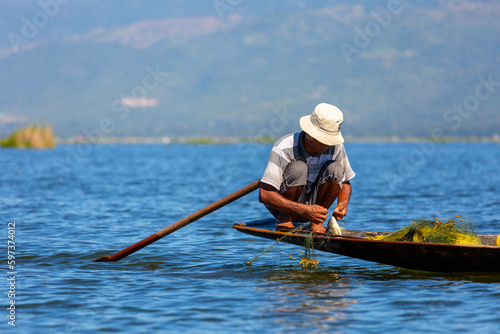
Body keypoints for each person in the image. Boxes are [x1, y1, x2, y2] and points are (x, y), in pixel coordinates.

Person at [259, 103, 355, 233]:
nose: (327, 146)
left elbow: (346, 182)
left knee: (336, 169)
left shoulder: (336, 147)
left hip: (315, 207)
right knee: (298, 168)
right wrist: (304, 209)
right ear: (309, 133)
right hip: (284, 206)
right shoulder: (284, 147)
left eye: (329, 141)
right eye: (323, 141)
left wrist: (343, 203)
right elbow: (265, 194)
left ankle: (316, 221)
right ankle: (285, 217)